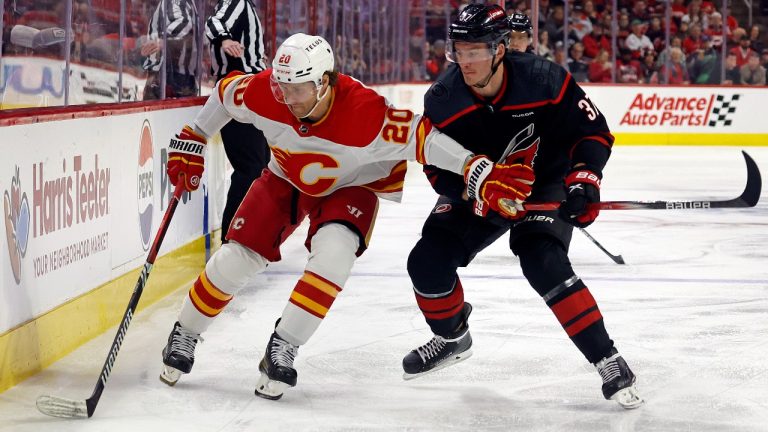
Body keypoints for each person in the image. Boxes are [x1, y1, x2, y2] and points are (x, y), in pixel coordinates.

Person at [158, 33, 534, 400]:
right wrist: (195, 133)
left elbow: (425, 139)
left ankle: (284, 346)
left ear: (323, 83)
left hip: (353, 186)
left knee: (333, 259)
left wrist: (474, 168)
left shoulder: (366, 112)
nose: (286, 98)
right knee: (235, 258)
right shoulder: (265, 91)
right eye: (281, 87)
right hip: (286, 177)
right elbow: (225, 92)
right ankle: (185, 332)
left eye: (297, 89)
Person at [400, 4, 643, 409]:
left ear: (499, 49)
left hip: (545, 179)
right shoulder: (443, 99)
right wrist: (474, 190)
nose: (466, 61)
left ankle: (609, 360)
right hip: (479, 185)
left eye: (476, 50)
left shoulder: (544, 80)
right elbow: (435, 164)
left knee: (542, 260)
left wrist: (585, 177)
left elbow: (592, 132)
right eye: (459, 50)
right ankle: (452, 336)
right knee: (426, 262)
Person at [205, 0, 270, 243]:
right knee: (251, 168)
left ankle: (250, 234)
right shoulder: (238, 2)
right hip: (240, 94)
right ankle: (233, 239)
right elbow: (214, 23)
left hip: (251, 93)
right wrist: (224, 39)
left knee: (261, 168)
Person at [141, 0, 199, 99]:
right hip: (181, 76)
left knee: (153, 113)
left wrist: (162, 40)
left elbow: (183, 22)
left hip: (169, 75)